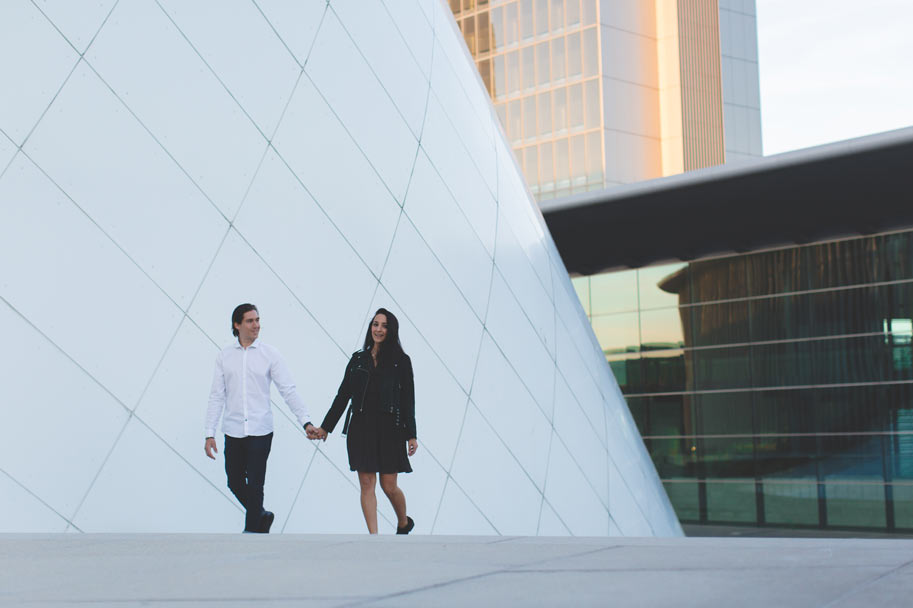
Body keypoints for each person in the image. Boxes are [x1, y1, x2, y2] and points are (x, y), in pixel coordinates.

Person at [204, 303, 319, 533]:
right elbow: (217, 396)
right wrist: (210, 433)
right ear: (237, 325)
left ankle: (252, 532)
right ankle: (261, 515)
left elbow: (288, 389)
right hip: (233, 430)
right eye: (250, 321)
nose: (256, 325)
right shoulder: (224, 356)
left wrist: (305, 421)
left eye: (257, 320)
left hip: (261, 430)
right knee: (234, 482)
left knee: (256, 484)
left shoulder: (270, 354)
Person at [311, 308, 417, 534]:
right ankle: (374, 538)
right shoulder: (358, 359)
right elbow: (342, 395)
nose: (378, 329)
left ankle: (403, 522)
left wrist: (411, 434)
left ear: (391, 330)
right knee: (367, 484)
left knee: (389, 486)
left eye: (384, 326)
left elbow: (408, 400)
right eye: (375, 324)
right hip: (361, 427)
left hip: (390, 429)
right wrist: (326, 427)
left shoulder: (401, 361)